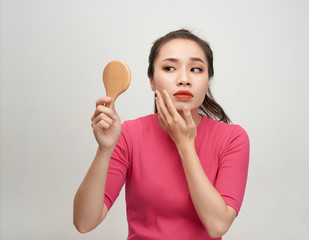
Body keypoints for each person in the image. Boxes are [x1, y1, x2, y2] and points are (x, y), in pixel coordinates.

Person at [73, 29, 250, 239]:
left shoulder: (233, 138)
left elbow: (217, 225)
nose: (184, 79)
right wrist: (104, 150)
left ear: (207, 80)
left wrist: (185, 144)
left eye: (195, 69)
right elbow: (84, 223)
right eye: (169, 68)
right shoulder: (129, 134)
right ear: (152, 81)